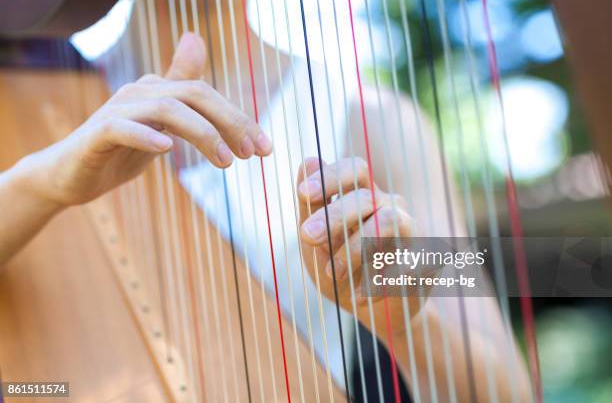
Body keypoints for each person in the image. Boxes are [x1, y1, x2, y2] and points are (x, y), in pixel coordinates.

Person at [0, 27, 531, 401]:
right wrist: (41, 183)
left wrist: (405, 325)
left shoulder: (374, 118)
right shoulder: (25, 106)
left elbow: (507, 394)